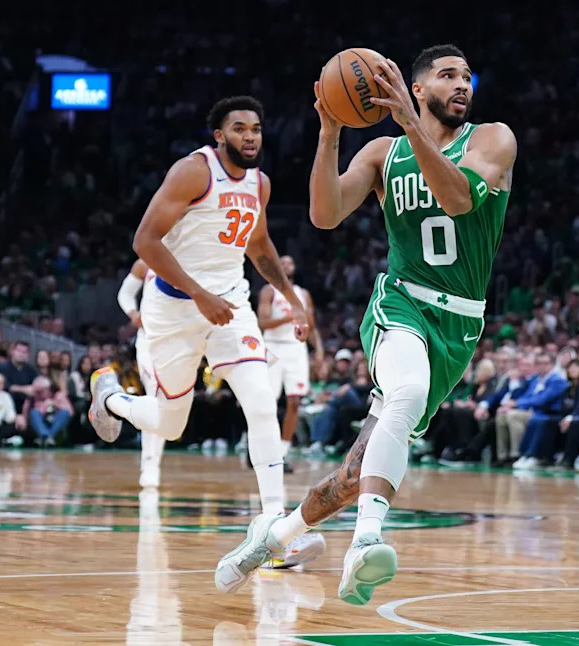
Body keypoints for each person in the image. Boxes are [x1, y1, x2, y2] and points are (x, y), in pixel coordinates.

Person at [216, 44, 516, 604]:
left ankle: (268, 539)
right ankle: (366, 542)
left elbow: (456, 199)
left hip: (459, 327)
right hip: (400, 303)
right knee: (407, 389)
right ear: (418, 88)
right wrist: (329, 132)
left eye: (468, 77)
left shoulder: (494, 138)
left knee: (354, 475)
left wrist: (409, 122)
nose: (462, 85)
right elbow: (324, 214)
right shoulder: (383, 153)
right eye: (447, 75)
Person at [87, 96, 326, 574]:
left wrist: (293, 298)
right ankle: (109, 395)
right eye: (240, 128)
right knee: (172, 424)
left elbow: (258, 246)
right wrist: (198, 294)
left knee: (261, 401)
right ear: (220, 135)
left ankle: (275, 530)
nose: (251, 136)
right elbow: (144, 242)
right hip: (174, 311)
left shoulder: (260, 184)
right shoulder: (193, 171)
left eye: (256, 128)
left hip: (231, 306)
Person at [258, 255, 325, 473]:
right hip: (273, 347)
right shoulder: (269, 291)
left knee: (295, 401)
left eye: (290, 263)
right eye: (283, 262)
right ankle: (261, 448)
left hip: (296, 348)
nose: (287, 265)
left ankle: (282, 453)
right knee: (267, 402)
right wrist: (291, 316)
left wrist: (319, 351)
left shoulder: (303, 294)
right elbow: (264, 322)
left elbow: (311, 325)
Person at [117, 258, 166, 487]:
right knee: (154, 393)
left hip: (176, 340)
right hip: (148, 340)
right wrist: (133, 314)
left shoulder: (190, 255)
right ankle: (149, 462)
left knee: (168, 402)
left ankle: (156, 459)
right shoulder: (145, 262)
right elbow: (125, 294)